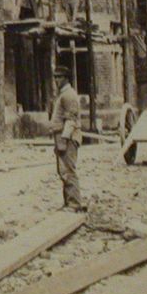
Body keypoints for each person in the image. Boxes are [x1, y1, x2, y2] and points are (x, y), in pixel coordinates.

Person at [49, 65, 86, 210]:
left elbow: (71, 119)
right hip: (61, 136)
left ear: (66, 78)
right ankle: (68, 202)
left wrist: (63, 140)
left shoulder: (68, 95)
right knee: (63, 171)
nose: (56, 80)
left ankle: (74, 203)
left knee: (68, 170)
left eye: (59, 77)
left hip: (68, 137)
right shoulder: (63, 94)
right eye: (55, 77)